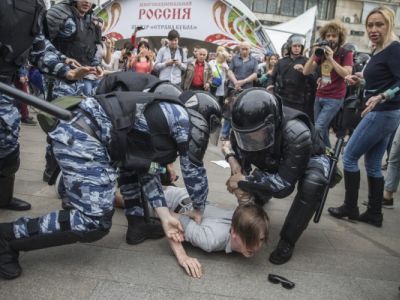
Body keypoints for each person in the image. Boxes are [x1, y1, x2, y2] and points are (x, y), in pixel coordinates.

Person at [0, 74, 222, 280]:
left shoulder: (162, 115)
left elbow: (144, 169)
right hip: (83, 138)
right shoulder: (184, 121)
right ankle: (8, 237)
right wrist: (198, 208)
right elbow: (194, 171)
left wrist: (164, 215)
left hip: (84, 134)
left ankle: (137, 225)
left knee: (130, 169)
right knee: (93, 221)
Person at [0, 0, 93, 217]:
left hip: (7, 85)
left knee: (7, 144)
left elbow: (39, 48)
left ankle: (3, 198)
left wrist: (66, 71)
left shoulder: (34, 6)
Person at [221, 88, 330, 265]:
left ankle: (288, 241)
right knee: (250, 182)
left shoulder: (296, 132)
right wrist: (234, 164)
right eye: (245, 135)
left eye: (254, 134)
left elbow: (283, 186)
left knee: (312, 184)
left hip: (310, 158)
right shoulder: (244, 127)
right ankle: (259, 199)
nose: (250, 139)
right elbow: (241, 162)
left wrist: (244, 181)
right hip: (273, 157)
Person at [328, 6, 400, 227]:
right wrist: (360, 80)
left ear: (390, 25)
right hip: (385, 112)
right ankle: (374, 213)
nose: (373, 29)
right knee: (373, 163)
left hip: (383, 111)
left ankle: (350, 207)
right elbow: (381, 80)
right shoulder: (380, 50)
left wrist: (383, 96)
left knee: (349, 156)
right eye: (370, 25)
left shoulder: (394, 48)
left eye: (380, 24)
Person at [155, 186, 269, 278]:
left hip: (188, 197)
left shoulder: (243, 218)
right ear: (233, 232)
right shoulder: (210, 239)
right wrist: (182, 256)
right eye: (250, 239)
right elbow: (169, 219)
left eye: (261, 239)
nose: (256, 246)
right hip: (168, 198)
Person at [303, 20, 353, 148]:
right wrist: (313, 55)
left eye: (334, 36)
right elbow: (306, 71)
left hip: (335, 98)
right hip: (319, 95)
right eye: (328, 36)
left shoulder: (345, 53)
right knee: (322, 130)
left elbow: (346, 73)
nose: (330, 38)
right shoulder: (321, 53)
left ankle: (321, 156)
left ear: (339, 37)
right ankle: (329, 159)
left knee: (318, 127)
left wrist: (331, 58)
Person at [44, 0, 104, 99]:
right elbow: (41, 42)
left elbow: (90, 48)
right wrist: (63, 59)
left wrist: (96, 64)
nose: (87, 1)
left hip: (81, 80)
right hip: (60, 79)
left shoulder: (91, 20)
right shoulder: (59, 12)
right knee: (58, 111)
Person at [267, 35, 312, 115]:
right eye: (294, 46)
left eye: (299, 46)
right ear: (290, 47)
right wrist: (270, 85)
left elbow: (313, 78)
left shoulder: (306, 62)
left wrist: (304, 71)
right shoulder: (281, 62)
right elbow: (272, 76)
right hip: (282, 98)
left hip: (299, 101)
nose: (297, 48)